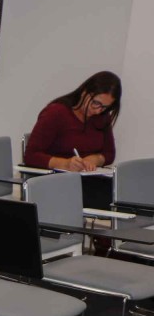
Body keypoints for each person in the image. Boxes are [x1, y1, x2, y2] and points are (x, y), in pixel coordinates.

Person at [23, 71, 121, 211]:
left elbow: (109, 153)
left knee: (121, 195)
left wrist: (94, 159)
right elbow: (31, 156)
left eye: (104, 107)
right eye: (96, 103)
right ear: (85, 91)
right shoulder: (56, 112)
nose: (98, 111)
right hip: (54, 181)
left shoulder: (102, 118)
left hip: (85, 180)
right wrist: (65, 164)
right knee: (111, 200)